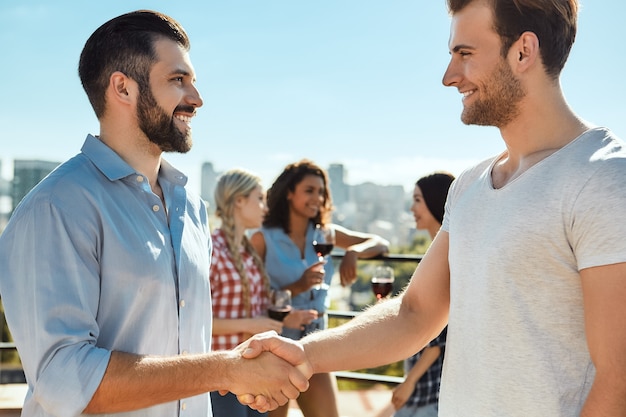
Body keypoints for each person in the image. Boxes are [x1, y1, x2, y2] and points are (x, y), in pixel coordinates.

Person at [241, 1, 626, 416]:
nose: (449, 77)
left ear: (523, 51)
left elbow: (618, 379)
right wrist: (304, 353)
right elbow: (414, 313)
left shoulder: (602, 180)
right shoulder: (470, 185)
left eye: (464, 54)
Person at [0, 10, 308, 417]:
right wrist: (225, 370)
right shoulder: (55, 208)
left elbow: (186, 351)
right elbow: (65, 381)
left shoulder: (192, 210)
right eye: (178, 80)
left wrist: (241, 371)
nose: (196, 98)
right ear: (123, 88)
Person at [250, 159, 390, 417]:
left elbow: (380, 242)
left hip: (317, 347)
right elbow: (251, 300)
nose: (318, 198)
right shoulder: (263, 238)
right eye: (309, 190)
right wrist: (297, 286)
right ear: (289, 193)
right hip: (274, 347)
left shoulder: (326, 234)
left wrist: (353, 251)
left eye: (321, 191)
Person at [209, 168, 318, 417]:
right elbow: (196, 320)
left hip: (253, 372)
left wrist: (286, 318)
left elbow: (254, 305)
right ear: (239, 201)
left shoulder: (248, 253)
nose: (265, 208)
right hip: (222, 376)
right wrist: (253, 323)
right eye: (259, 199)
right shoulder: (211, 249)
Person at [391, 172, 455, 417]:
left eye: (418, 200)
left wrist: (409, 382)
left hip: (430, 388)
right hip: (425, 386)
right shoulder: (437, 253)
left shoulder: (447, 256)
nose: (411, 208)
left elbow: (440, 338)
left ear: (435, 201)